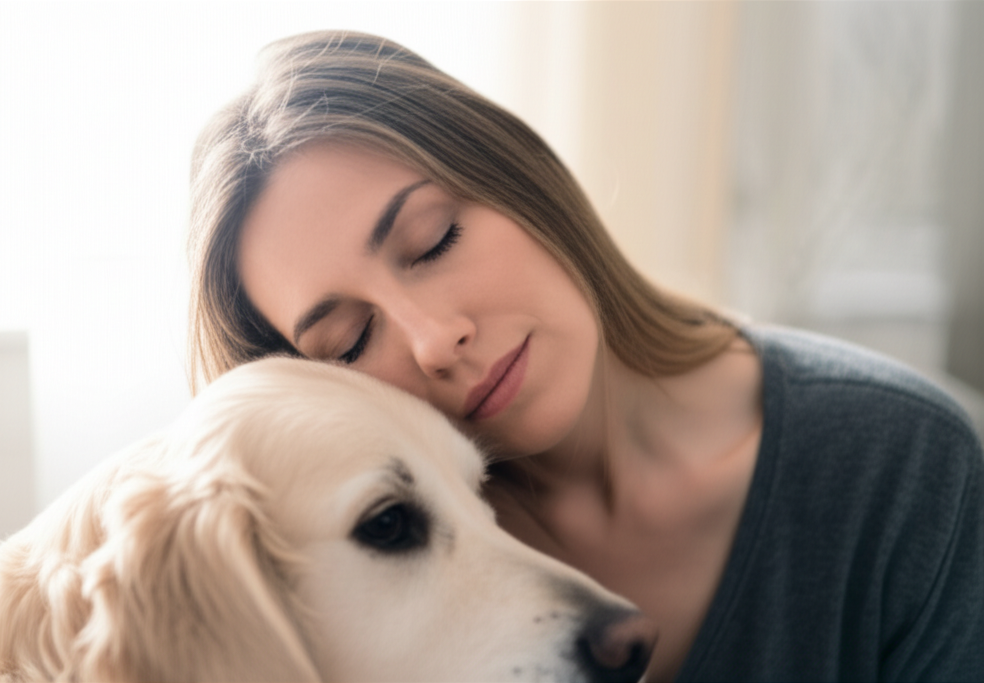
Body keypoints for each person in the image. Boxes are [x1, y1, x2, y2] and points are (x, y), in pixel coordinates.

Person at [186, 30, 984, 682]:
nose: (434, 339)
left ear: (520, 176)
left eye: (434, 240)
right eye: (350, 342)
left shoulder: (904, 461)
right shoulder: (332, 569)